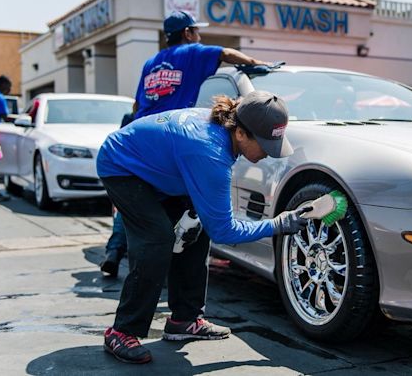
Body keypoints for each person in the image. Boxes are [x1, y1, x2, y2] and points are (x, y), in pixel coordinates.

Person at [96, 91, 311, 364]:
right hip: (123, 167)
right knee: (157, 240)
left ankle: (184, 320)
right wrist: (278, 225)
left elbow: (212, 219)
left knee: (195, 228)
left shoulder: (224, 135)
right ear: (241, 133)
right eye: (265, 145)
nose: (268, 154)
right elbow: (225, 231)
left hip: (165, 169)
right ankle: (121, 331)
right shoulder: (210, 152)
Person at [99, 10, 273, 276]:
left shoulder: (151, 63)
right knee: (171, 219)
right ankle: (167, 269)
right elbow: (226, 53)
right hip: (179, 141)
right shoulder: (191, 52)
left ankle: (115, 249)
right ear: (187, 33)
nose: (199, 36)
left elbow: (137, 105)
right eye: (196, 31)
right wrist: (253, 62)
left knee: (138, 203)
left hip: (145, 139)